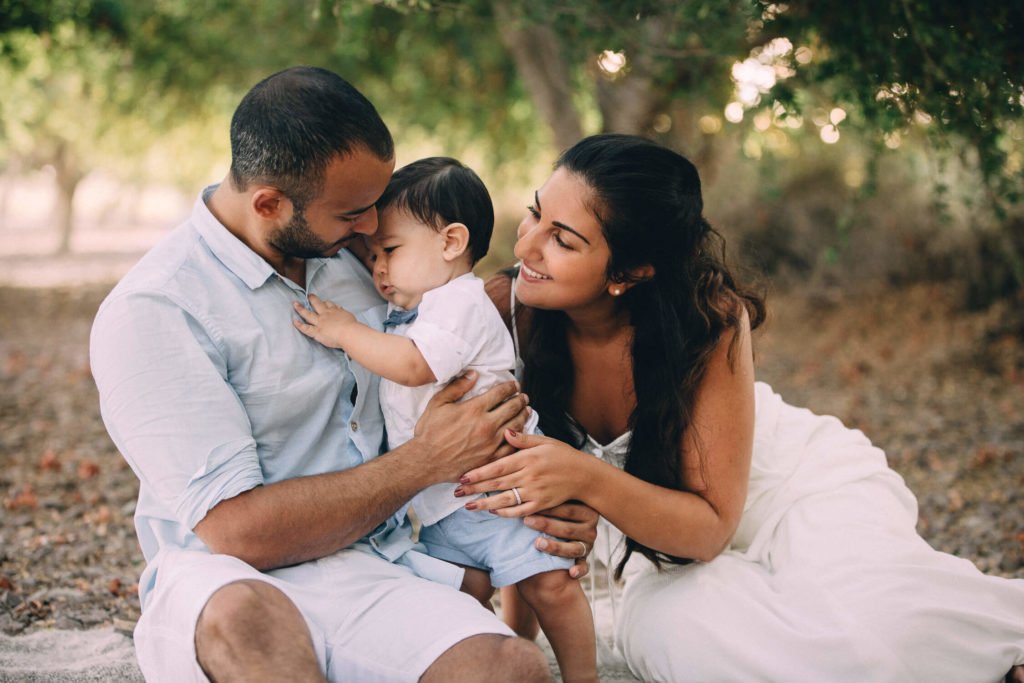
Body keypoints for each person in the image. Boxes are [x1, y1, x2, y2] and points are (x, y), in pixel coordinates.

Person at [454, 133, 1024, 682]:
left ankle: (998, 641)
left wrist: (584, 477)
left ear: (631, 272)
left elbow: (709, 528)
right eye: (535, 214)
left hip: (788, 492)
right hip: (665, 552)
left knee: (868, 615)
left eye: (562, 239)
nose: (525, 245)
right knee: (671, 633)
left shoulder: (709, 322)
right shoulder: (500, 315)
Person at [89, 66, 560, 683]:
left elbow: (463, 312)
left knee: (508, 669)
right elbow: (236, 531)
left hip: (371, 561)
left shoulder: (358, 260)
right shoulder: (156, 309)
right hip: (225, 577)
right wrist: (426, 460)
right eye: (352, 213)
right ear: (268, 204)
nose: (372, 230)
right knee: (248, 623)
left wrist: (545, 489)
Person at [292, 156, 598, 682]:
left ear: (452, 243)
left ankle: (584, 675)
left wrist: (345, 333)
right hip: (447, 504)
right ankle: (504, 647)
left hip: (504, 493)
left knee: (547, 581)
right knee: (467, 588)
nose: (378, 268)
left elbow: (414, 366)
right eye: (371, 257)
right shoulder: (411, 309)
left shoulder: (458, 303)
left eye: (389, 251)